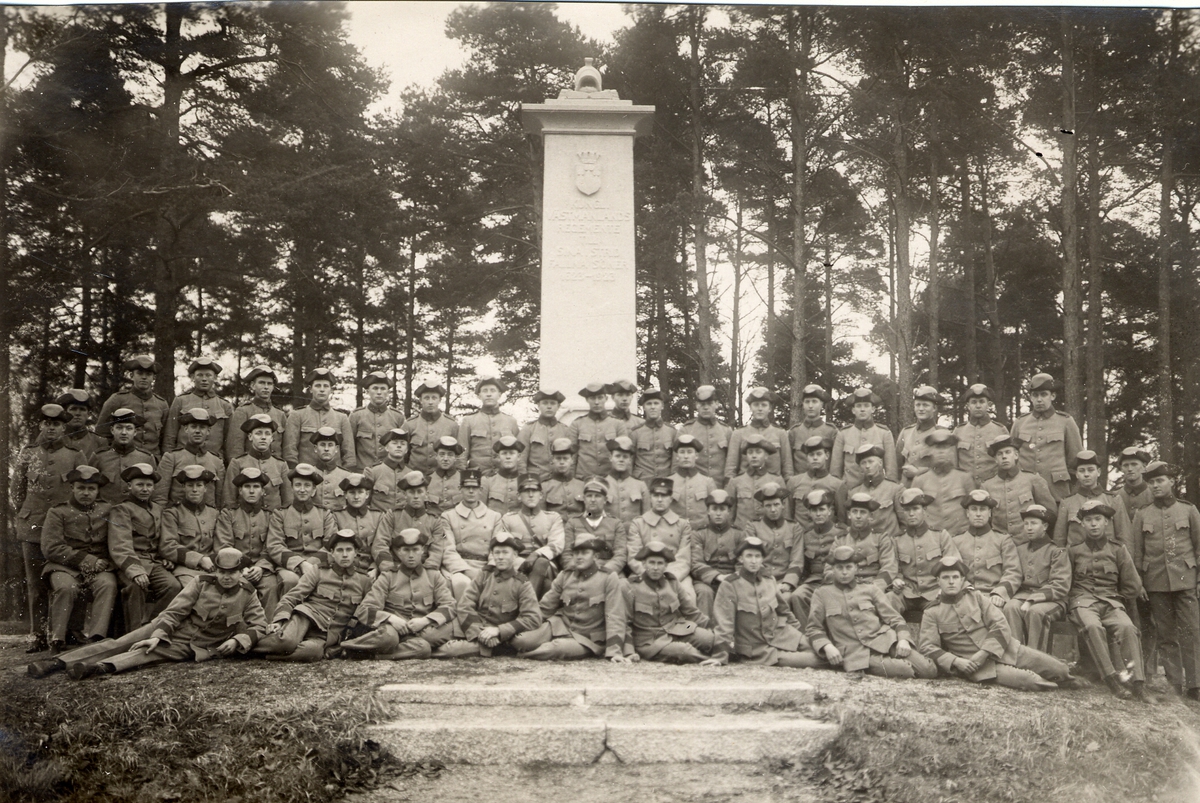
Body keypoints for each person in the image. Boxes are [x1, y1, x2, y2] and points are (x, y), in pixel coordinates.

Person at [78, 547, 268, 678]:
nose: (226, 577)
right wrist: (158, 635)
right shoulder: (201, 583)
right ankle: (61, 662)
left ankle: (99, 668)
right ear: (216, 571)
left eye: (232, 572)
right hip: (171, 625)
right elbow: (175, 612)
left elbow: (260, 625)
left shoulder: (248, 593)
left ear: (241, 572)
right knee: (123, 641)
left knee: (150, 653)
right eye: (222, 572)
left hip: (199, 645)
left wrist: (237, 640)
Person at [918, 556, 1076, 691]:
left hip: (1007, 650)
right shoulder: (932, 612)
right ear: (938, 581)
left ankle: (1068, 679)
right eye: (946, 578)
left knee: (1060, 670)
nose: (951, 582)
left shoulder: (976, 597)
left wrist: (984, 652)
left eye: (955, 577)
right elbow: (927, 646)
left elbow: (1000, 624)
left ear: (962, 580)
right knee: (1031, 681)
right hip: (977, 666)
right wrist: (956, 662)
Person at [13, 404, 86, 652]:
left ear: (64, 427)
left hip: (64, 530)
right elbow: (17, 491)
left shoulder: (75, 455)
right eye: (47, 423)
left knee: (68, 579)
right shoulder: (28, 453)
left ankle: (67, 631)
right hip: (32, 527)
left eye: (56, 424)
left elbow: (80, 491)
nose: (51, 428)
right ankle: (38, 635)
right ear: (41, 425)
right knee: (35, 585)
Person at [806, 545, 938, 679]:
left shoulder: (870, 589)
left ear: (856, 568)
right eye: (839, 568)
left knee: (928, 670)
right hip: (855, 653)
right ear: (833, 569)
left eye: (849, 567)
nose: (844, 572)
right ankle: (877, 665)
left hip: (886, 641)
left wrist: (903, 639)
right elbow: (813, 628)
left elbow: (894, 618)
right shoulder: (822, 593)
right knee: (905, 670)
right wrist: (827, 647)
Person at [1132, 461, 1200, 699]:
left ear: (1172, 481)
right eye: (1151, 482)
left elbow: (1198, 547)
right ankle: (1174, 684)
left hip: (1186, 580)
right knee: (1166, 634)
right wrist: (1139, 582)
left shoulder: (1189, 510)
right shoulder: (1142, 515)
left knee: (1191, 632)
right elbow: (1137, 553)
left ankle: (1195, 684)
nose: (1155, 486)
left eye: (1160, 480)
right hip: (1156, 582)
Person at [1068, 499, 1148, 700]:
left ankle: (1138, 683)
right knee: (1093, 627)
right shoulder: (1074, 551)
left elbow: (1133, 584)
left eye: (1098, 519)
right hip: (1083, 601)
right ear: (1082, 524)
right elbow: (1064, 581)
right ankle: (1111, 679)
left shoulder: (1118, 549)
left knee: (1128, 628)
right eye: (1089, 520)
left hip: (1112, 602)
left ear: (1106, 523)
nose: (1093, 524)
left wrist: (1119, 600)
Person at [700, 537, 820, 667]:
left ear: (762, 559)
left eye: (757, 556)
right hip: (758, 650)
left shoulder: (769, 580)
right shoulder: (730, 584)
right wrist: (720, 656)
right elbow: (724, 623)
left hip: (781, 634)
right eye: (749, 556)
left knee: (819, 649)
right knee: (814, 660)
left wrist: (799, 636)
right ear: (741, 559)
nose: (753, 561)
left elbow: (784, 611)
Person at [254, 530, 372, 662]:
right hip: (307, 618)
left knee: (313, 653)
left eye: (349, 550)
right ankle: (246, 646)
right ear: (332, 552)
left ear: (356, 552)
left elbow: (368, 611)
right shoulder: (318, 571)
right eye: (339, 550)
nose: (344, 555)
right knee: (286, 642)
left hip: (328, 634)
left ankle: (265, 656)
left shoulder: (364, 580)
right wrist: (279, 620)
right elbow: (292, 597)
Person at [342, 528, 457, 659]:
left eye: (415, 549)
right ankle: (345, 646)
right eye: (406, 550)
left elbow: (450, 605)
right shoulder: (388, 576)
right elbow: (365, 610)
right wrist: (390, 618)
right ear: (397, 552)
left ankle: (372, 656)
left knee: (423, 648)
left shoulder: (434, 576)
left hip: (419, 631)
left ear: (423, 550)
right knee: (389, 638)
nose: (411, 555)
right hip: (393, 629)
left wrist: (425, 620)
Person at [511, 538, 630, 662]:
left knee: (554, 648)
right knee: (520, 640)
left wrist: (614, 652)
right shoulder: (565, 575)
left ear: (595, 556)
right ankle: (528, 647)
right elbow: (545, 607)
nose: (578, 557)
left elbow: (615, 616)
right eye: (576, 553)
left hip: (587, 638)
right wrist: (521, 627)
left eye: (584, 553)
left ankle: (524, 656)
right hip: (560, 626)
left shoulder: (608, 577)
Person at [41, 466, 118, 652]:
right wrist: (88, 560)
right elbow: (51, 548)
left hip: (99, 567)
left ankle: (96, 638)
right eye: (81, 488)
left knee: (108, 585)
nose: (86, 493)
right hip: (63, 565)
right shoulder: (57, 512)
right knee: (66, 587)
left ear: (98, 491)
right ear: (72, 489)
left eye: (91, 489)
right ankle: (57, 639)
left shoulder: (108, 510)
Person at [433, 532, 543, 658]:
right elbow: (465, 605)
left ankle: (496, 650)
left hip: (498, 636)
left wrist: (499, 631)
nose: (500, 557)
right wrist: (479, 633)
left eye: (505, 552)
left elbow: (533, 618)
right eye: (497, 552)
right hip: (473, 626)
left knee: (450, 650)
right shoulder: (485, 574)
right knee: (431, 636)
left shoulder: (522, 583)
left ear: (515, 555)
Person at [216, 467, 298, 619]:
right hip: (235, 569)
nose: (252, 491)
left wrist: (261, 567)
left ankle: (266, 628)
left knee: (271, 586)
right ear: (240, 491)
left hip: (262, 570)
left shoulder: (270, 516)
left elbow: (271, 546)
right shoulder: (228, 514)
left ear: (263, 491)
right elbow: (224, 546)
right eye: (247, 487)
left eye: (256, 487)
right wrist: (241, 569)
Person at [107, 463, 182, 630]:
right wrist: (135, 571)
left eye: (149, 485)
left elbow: (163, 540)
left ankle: (151, 627)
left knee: (173, 586)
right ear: (129, 486)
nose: (145, 489)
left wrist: (165, 558)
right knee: (136, 586)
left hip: (153, 562)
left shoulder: (158, 509)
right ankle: (133, 632)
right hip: (129, 563)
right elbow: (120, 545)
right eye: (140, 484)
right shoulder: (121, 510)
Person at [625, 540, 715, 663]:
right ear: (644, 564)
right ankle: (713, 660)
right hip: (650, 641)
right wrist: (629, 652)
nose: (656, 568)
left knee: (709, 638)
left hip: (678, 630)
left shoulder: (672, 582)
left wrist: (713, 629)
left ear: (666, 565)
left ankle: (724, 653)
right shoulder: (631, 587)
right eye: (651, 563)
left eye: (660, 563)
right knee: (684, 651)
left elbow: (692, 612)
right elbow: (625, 623)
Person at [1002, 504, 1069, 652]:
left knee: (1036, 612)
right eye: (1026, 524)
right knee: (1010, 607)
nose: (1029, 528)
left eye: (1034, 523)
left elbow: (1060, 584)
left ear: (1045, 526)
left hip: (1053, 600)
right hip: (1024, 595)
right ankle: (1016, 656)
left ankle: (1036, 660)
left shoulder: (1057, 551)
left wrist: (1032, 600)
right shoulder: (1019, 550)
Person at [1009, 373, 1083, 501]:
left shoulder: (1066, 421)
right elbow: (1011, 458)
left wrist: (1073, 492)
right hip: (1025, 490)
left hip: (1056, 490)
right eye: (1035, 395)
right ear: (1031, 397)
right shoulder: (1020, 423)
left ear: (1052, 396)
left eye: (1044, 394)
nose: (1039, 399)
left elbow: (1075, 461)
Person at [891, 488, 961, 615]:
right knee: (887, 600)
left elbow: (954, 566)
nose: (911, 513)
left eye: (916, 509)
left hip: (933, 593)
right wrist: (896, 580)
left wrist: (944, 588)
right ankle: (899, 632)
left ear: (924, 510)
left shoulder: (940, 536)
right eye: (907, 510)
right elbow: (893, 568)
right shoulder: (897, 539)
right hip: (906, 593)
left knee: (944, 609)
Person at [626, 478, 695, 604]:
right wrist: (651, 573)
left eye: (664, 495)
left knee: (688, 596)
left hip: (675, 575)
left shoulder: (683, 524)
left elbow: (684, 559)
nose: (659, 499)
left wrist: (668, 577)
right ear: (650, 498)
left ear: (670, 498)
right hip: (644, 573)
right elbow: (634, 556)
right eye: (655, 495)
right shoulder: (638, 523)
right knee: (630, 594)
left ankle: (689, 624)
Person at [496, 475, 564, 599]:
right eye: (526, 491)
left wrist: (536, 554)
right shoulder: (509, 519)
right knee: (547, 585)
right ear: (518, 496)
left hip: (546, 563)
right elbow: (505, 545)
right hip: (517, 563)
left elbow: (556, 545)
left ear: (541, 495)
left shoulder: (553, 518)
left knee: (541, 562)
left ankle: (525, 604)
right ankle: (532, 609)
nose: (531, 495)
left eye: (535, 491)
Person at [265, 464, 337, 581]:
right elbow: (275, 545)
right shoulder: (280, 514)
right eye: (298, 485)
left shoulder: (325, 514)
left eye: (307, 485)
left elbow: (331, 545)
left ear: (313, 490)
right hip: (290, 567)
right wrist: (300, 564)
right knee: (290, 580)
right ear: (292, 488)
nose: (302, 490)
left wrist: (311, 565)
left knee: (325, 580)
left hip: (319, 565)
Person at [952, 490, 1022, 609]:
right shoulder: (956, 542)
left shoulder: (1003, 540)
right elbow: (952, 573)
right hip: (964, 595)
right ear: (967, 513)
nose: (978, 514)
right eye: (974, 509)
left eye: (983, 509)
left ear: (989, 513)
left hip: (993, 597)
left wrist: (999, 593)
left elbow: (1013, 572)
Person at [980, 435, 1058, 540]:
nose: (1004, 457)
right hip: (1000, 544)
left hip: (1028, 543)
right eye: (999, 454)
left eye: (1008, 452)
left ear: (1016, 455)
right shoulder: (986, 486)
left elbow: (1050, 514)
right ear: (995, 460)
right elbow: (985, 520)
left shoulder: (1033, 480)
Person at [1054, 450, 1133, 552]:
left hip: (1108, 560)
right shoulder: (1067, 502)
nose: (1086, 474)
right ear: (1077, 474)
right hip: (1076, 562)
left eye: (1090, 470)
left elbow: (1125, 537)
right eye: (1082, 471)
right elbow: (1059, 540)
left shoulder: (1113, 500)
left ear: (1098, 472)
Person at [744, 482, 804, 613]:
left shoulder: (794, 527)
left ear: (783, 505)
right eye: (768, 506)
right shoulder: (753, 527)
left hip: (784, 582)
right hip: (760, 580)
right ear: (762, 507)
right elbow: (751, 559)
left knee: (787, 598)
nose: (773, 509)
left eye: (776, 504)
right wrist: (769, 583)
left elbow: (797, 560)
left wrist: (788, 583)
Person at [284, 368, 356, 470]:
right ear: (310, 389)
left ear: (331, 389)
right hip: (306, 476)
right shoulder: (297, 415)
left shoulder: (342, 418)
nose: (322, 389)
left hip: (335, 478)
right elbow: (290, 452)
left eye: (326, 386)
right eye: (318, 386)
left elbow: (349, 455)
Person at [96, 355, 168, 456]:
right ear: (131, 375)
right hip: (123, 459)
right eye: (139, 373)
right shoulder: (117, 399)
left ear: (153, 378)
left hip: (152, 461)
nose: (144, 377)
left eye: (148, 374)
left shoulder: (162, 404)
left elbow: (165, 438)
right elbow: (101, 434)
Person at [791, 489, 846, 624]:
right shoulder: (806, 535)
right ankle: (807, 634)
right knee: (797, 595)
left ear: (829, 510)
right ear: (809, 513)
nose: (818, 514)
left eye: (822, 509)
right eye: (814, 511)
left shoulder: (842, 532)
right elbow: (803, 565)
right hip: (814, 582)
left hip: (836, 581)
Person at [159, 465, 221, 583]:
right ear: (183, 487)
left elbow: (220, 544)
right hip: (185, 569)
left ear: (205, 488)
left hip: (213, 568)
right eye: (190, 485)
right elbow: (168, 545)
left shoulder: (214, 513)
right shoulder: (172, 513)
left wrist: (210, 560)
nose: (194, 490)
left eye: (199, 485)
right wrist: (199, 560)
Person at [154, 408, 225, 508]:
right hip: (177, 517)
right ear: (186, 429)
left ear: (208, 431)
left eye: (202, 427)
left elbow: (219, 500)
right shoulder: (171, 458)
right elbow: (160, 497)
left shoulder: (217, 462)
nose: (197, 431)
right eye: (193, 427)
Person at [163, 357, 233, 458]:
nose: (204, 379)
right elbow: (170, 435)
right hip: (183, 459)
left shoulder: (225, 405)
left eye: (208, 375)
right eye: (200, 375)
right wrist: (168, 459)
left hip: (213, 460)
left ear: (215, 378)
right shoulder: (181, 401)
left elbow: (230, 440)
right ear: (192, 377)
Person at [441, 468, 503, 581]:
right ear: (460, 489)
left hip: (486, 567)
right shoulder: (448, 516)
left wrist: (490, 568)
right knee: (460, 582)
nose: (471, 491)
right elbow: (448, 550)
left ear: (481, 490)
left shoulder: (494, 517)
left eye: (474, 487)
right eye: (467, 487)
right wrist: (466, 571)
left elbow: (497, 549)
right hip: (460, 567)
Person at [830, 492, 899, 593]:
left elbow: (889, 568)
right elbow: (829, 568)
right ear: (849, 515)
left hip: (873, 587)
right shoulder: (841, 539)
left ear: (870, 516)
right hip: (845, 588)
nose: (858, 516)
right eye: (854, 512)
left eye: (862, 512)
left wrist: (874, 588)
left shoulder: (881, 538)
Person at [690, 489, 742, 620]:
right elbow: (696, 563)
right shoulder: (699, 534)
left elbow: (742, 562)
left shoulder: (739, 534)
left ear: (729, 511)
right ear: (707, 511)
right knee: (704, 592)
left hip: (732, 579)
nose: (718, 513)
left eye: (722, 509)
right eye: (714, 509)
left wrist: (733, 578)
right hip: (705, 581)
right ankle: (705, 631)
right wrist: (718, 577)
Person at [910, 430, 974, 535]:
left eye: (945, 447)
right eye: (936, 447)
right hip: (931, 538)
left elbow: (973, 510)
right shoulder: (920, 480)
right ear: (929, 451)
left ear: (951, 451)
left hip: (959, 536)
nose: (941, 451)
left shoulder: (964, 478)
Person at [830, 388, 898, 487]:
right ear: (853, 410)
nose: (862, 409)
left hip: (877, 491)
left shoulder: (884, 433)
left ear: (873, 409)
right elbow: (835, 470)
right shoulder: (843, 434)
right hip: (849, 491)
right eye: (858, 406)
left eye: (866, 406)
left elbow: (891, 470)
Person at [223, 413, 291, 510]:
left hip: (274, 521)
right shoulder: (237, 463)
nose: (263, 437)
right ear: (250, 437)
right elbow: (229, 501)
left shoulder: (281, 465)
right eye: (258, 433)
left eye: (267, 433)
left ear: (271, 438)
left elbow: (288, 501)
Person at [725, 386, 793, 481]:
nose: (760, 408)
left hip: (772, 488)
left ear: (770, 408)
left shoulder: (780, 434)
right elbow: (730, 469)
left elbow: (787, 469)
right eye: (756, 405)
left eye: (764, 405)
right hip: (744, 488)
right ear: (750, 407)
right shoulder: (738, 434)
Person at [562, 479, 628, 575]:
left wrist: (605, 571)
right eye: (589, 496)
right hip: (579, 571)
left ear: (605, 500)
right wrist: (577, 570)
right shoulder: (572, 523)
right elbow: (567, 554)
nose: (593, 500)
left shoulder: (616, 524)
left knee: (623, 586)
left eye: (597, 496)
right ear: (584, 499)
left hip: (607, 571)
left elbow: (620, 555)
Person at [95, 408, 158, 505]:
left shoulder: (146, 458)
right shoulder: (99, 457)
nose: (124, 432)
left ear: (135, 432)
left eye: (129, 428)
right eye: (119, 428)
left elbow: (153, 491)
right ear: (112, 430)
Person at [458, 376, 520, 473]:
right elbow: (461, 454)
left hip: (503, 477)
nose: (489, 394)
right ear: (479, 395)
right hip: (477, 478)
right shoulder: (469, 421)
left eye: (492, 390)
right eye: (485, 391)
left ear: (499, 395)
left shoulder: (511, 421)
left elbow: (518, 452)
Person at [225, 365, 286, 461]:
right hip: (249, 470)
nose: (266, 387)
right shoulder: (243, 411)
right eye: (262, 383)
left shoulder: (280, 414)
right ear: (253, 385)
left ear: (273, 387)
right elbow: (235, 448)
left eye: (269, 384)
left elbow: (284, 448)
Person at [842, 444, 902, 539]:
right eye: (863, 463)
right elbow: (851, 524)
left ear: (880, 463)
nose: (867, 466)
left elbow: (903, 522)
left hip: (890, 542)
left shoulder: (894, 489)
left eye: (871, 461)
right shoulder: (854, 492)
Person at [570, 382, 629, 479]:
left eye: (600, 397)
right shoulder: (577, 424)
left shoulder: (618, 424)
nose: (596, 402)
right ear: (587, 400)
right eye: (592, 398)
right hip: (583, 479)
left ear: (606, 399)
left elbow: (624, 455)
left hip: (610, 479)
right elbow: (572, 456)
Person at [402, 380, 462, 476]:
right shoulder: (410, 424)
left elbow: (458, 455)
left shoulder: (451, 425)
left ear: (439, 400)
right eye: (426, 398)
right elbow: (403, 455)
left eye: (434, 398)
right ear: (421, 400)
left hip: (441, 479)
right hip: (414, 478)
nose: (430, 402)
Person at [348, 371, 406, 469]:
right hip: (362, 472)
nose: (379, 392)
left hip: (389, 473)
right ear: (367, 391)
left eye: (383, 388)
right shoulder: (356, 416)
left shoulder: (398, 417)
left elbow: (404, 448)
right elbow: (349, 447)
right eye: (375, 388)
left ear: (388, 392)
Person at [726, 434, 784, 531]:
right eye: (750, 452)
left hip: (769, 534)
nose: (754, 456)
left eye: (758, 452)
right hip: (742, 533)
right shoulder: (735, 481)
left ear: (766, 456)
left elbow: (784, 514)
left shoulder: (777, 480)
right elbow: (729, 514)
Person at [953, 384, 1009, 483]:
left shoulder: (1000, 430)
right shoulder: (958, 431)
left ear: (989, 404)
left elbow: (1008, 463)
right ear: (968, 405)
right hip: (966, 487)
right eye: (973, 402)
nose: (978, 406)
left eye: (982, 402)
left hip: (993, 486)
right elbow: (954, 463)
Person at [786, 436, 844, 532]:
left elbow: (841, 520)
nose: (815, 458)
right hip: (800, 537)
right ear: (807, 457)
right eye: (811, 455)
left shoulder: (837, 485)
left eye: (819, 454)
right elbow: (788, 516)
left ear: (827, 456)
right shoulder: (794, 482)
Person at [677, 385, 731, 486]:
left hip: (720, 487)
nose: (706, 407)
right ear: (697, 405)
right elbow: (677, 464)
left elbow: (731, 464)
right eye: (702, 404)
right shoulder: (686, 430)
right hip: (693, 488)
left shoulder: (726, 431)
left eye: (710, 403)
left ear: (717, 404)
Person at [332, 474, 383, 574]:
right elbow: (335, 548)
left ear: (367, 494)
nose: (356, 497)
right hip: (347, 568)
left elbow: (380, 546)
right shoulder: (336, 516)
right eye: (352, 493)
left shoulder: (378, 516)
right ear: (345, 495)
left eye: (360, 492)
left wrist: (375, 568)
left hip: (372, 568)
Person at [666, 434, 716, 532]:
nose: (685, 456)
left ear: (696, 456)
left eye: (689, 452)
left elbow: (714, 512)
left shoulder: (707, 482)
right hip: (675, 533)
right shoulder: (668, 482)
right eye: (682, 452)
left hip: (701, 534)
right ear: (676, 457)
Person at [518, 389, 570, 481]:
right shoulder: (528, 429)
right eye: (545, 403)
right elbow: (521, 459)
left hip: (558, 481)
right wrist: (524, 481)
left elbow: (570, 459)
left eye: (553, 403)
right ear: (538, 405)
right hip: (535, 482)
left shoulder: (565, 430)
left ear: (558, 406)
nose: (549, 407)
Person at [787, 385, 838, 478]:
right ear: (802, 404)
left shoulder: (831, 431)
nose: (810, 406)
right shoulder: (794, 432)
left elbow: (836, 463)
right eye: (807, 402)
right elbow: (787, 463)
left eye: (814, 401)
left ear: (821, 404)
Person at [896, 386, 943, 484]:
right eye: (918, 405)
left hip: (930, 490)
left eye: (925, 405)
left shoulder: (942, 434)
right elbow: (897, 466)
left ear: (934, 408)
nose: (921, 409)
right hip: (906, 490)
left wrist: (918, 473)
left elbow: (946, 469)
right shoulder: (906, 432)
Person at [631, 387, 676, 481]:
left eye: (656, 403)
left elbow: (675, 462)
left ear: (662, 406)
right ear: (643, 407)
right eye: (649, 404)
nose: (652, 407)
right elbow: (629, 463)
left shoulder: (672, 431)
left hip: (665, 483)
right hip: (642, 483)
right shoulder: (635, 433)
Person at [604, 435, 649, 524]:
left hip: (634, 535)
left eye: (625, 457)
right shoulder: (601, 484)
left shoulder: (640, 485)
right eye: (617, 456)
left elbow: (647, 517)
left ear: (630, 460)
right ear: (610, 458)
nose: (621, 459)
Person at [363, 428, 411, 512]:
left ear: (406, 450)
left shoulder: (411, 474)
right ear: (386, 448)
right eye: (394, 443)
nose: (399, 446)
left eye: (403, 444)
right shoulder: (373, 472)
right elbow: (364, 503)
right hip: (379, 521)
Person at [309, 427, 353, 511]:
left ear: (336, 449)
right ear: (315, 448)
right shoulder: (309, 473)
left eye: (330, 445)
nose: (326, 449)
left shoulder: (347, 476)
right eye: (322, 445)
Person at [540, 438, 584, 517]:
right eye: (558, 458)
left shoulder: (582, 485)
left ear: (572, 460)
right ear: (552, 460)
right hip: (555, 528)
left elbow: (589, 514)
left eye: (565, 458)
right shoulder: (544, 487)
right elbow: (541, 516)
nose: (562, 462)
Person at [58, 389, 104, 461]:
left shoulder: (99, 441)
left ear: (88, 414)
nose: (78, 413)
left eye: (82, 409)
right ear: (65, 413)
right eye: (73, 409)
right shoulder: (55, 437)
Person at [481, 436, 524, 513]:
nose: (508, 457)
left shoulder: (525, 482)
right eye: (504, 453)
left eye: (512, 453)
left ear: (519, 457)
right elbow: (480, 512)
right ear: (498, 457)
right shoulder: (487, 482)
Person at [426, 435, 464, 512]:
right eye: (442, 454)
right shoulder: (427, 480)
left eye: (450, 455)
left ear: (456, 458)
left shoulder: (463, 480)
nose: (445, 459)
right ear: (436, 456)